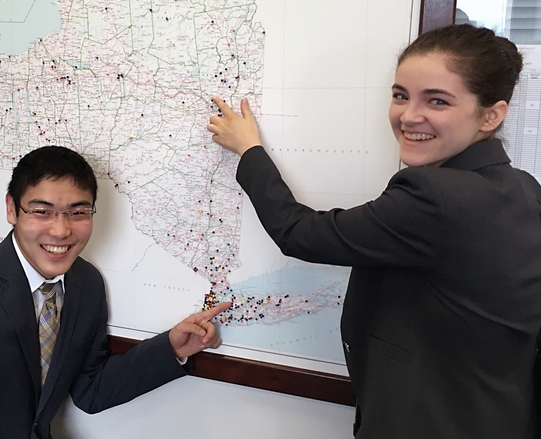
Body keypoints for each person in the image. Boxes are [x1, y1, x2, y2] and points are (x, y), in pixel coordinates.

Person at [207, 23, 541, 438]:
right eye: (400, 95)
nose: (409, 115)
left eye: (437, 101)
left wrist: (249, 149)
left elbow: (299, 233)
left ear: (491, 115)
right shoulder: (524, 188)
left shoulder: (434, 197)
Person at [0, 145, 230, 439]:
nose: (61, 230)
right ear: (11, 209)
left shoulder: (86, 283)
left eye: (78, 212)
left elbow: (91, 389)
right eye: (42, 211)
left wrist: (172, 348)